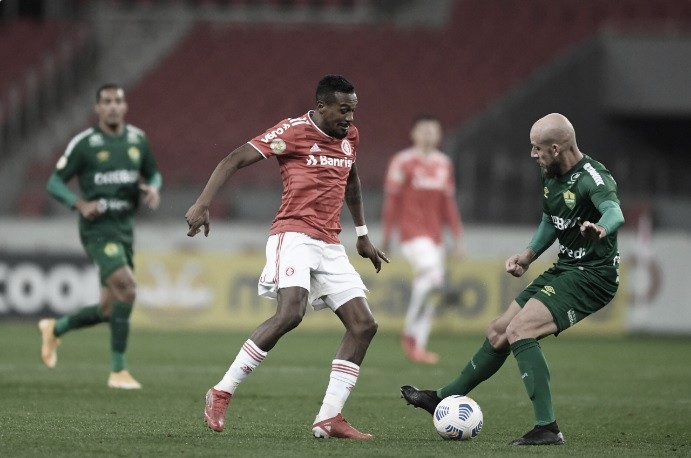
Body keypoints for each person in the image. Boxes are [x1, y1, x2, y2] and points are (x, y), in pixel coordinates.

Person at [185, 75, 389, 440]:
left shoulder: (350, 138)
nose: (350, 119)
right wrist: (202, 203)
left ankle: (329, 417)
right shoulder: (292, 132)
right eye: (344, 110)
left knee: (364, 325)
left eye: (354, 111)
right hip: (293, 235)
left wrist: (362, 235)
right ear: (322, 106)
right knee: (291, 312)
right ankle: (221, 390)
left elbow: (352, 181)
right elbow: (234, 159)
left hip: (330, 242)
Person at [400, 113, 624, 445]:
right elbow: (551, 220)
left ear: (556, 147)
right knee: (498, 330)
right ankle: (442, 397)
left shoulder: (593, 177)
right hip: (567, 268)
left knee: (521, 330)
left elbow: (614, 210)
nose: (532, 155)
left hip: (593, 276)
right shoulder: (551, 173)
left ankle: (547, 427)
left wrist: (601, 228)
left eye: (537, 149)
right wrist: (529, 255)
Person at [39, 83, 162, 390]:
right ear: (97, 108)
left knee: (109, 308)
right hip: (97, 228)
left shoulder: (138, 140)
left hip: (124, 228)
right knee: (128, 289)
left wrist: (153, 187)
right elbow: (54, 182)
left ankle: (55, 328)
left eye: (117, 101)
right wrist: (79, 203)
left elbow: (154, 172)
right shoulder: (85, 144)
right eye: (106, 101)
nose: (112, 106)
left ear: (125, 106)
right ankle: (118, 371)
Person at [381, 114, 463, 364]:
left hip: (435, 237)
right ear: (414, 134)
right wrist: (386, 237)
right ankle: (410, 334)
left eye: (433, 131)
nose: (428, 135)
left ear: (438, 135)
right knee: (431, 276)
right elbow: (392, 201)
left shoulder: (444, 164)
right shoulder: (402, 162)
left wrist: (457, 237)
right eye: (424, 130)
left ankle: (417, 343)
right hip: (411, 234)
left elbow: (447, 205)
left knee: (427, 288)